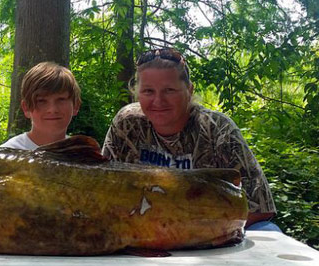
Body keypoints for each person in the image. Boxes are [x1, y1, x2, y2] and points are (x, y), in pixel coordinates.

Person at [102, 48, 278, 231]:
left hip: (214, 229)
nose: (158, 101)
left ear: (189, 90)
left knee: (268, 231)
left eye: (169, 90)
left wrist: (189, 233)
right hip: (140, 229)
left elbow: (260, 208)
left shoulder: (218, 129)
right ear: (136, 93)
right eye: (148, 91)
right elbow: (103, 190)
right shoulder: (126, 124)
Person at [2, 62, 81, 150]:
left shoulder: (84, 154)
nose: (52, 109)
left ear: (76, 105)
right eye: (41, 101)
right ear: (26, 108)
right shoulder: (6, 155)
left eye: (61, 99)